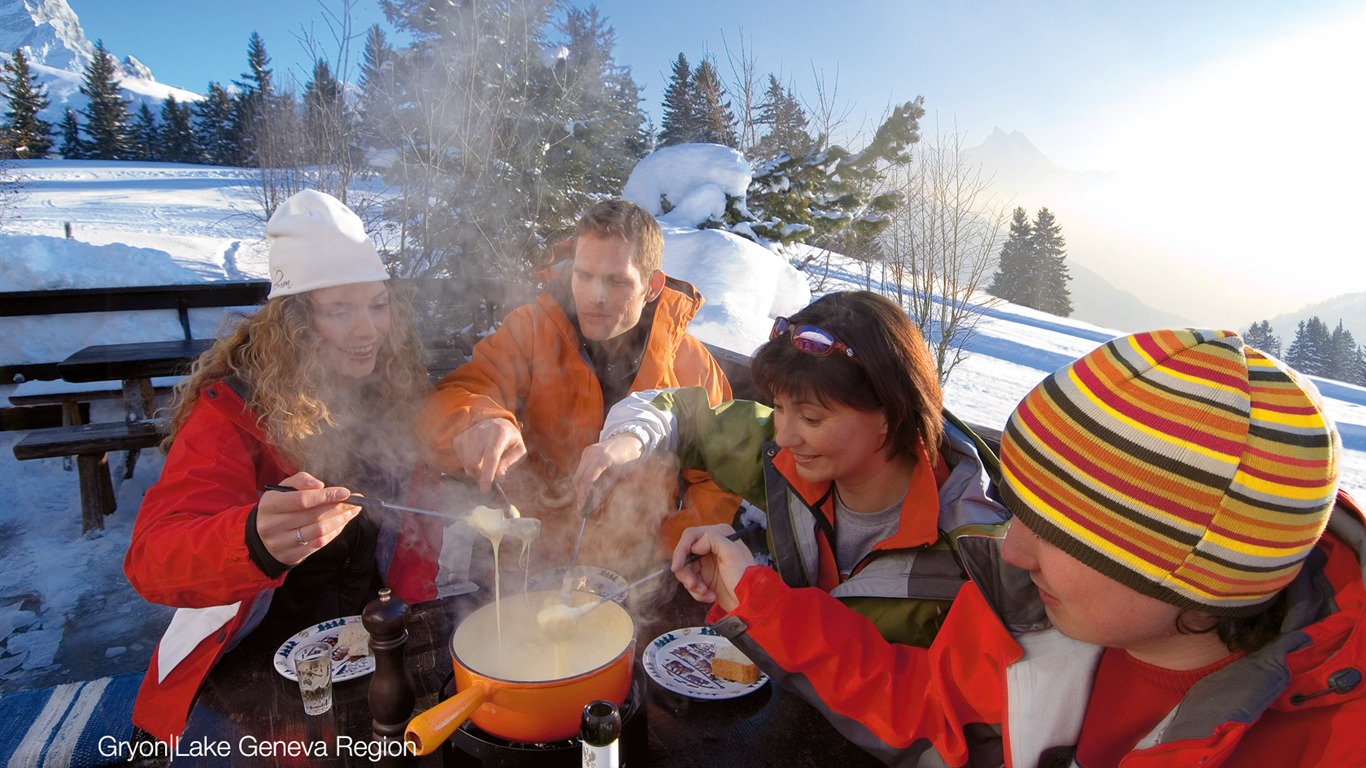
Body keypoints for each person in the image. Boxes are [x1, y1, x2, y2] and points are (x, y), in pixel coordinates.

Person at [670, 328, 1364, 767]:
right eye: (1021, 509)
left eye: (1059, 531)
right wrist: (754, 598)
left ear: (1190, 574)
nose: (1016, 549)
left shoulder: (1328, 741)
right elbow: (920, 704)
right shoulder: (1030, 613)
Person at [124, 189, 432, 741]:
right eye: (340, 310)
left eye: (378, 304)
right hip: (259, 665)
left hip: (368, 645)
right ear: (295, 321)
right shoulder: (235, 411)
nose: (369, 331)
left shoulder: (393, 386)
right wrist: (251, 540)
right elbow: (152, 558)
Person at [576, 290, 1009, 646]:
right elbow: (677, 411)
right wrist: (626, 442)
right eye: (780, 409)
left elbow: (931, 708)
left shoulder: (973, 560)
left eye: (812, 419)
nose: (785, 436)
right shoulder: (783, 457)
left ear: (890, 416)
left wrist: (760, 599)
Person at [403, 199, 739, 586]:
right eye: (584, 275)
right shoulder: (531, 331)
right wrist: (478, 419)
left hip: (636, 575)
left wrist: (673, 542)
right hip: (526, 558)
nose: (595, 296)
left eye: (616, 281)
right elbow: (463, 389)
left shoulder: (689, 364)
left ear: (652, 286)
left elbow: (719, 474)